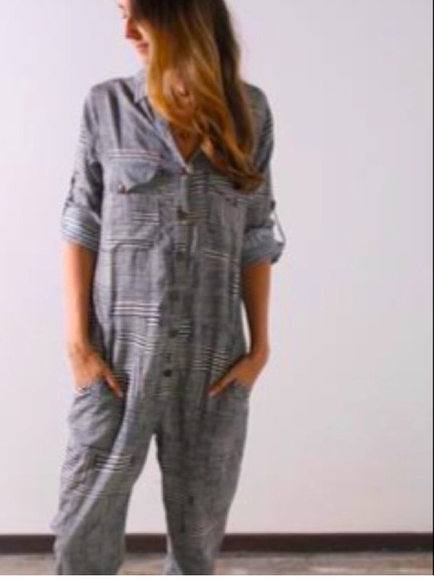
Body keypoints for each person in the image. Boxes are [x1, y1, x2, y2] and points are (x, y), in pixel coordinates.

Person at [50, 0, 287, 574]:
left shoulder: (250, 112)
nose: (126, 30)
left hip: (214, 361)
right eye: (120, 12)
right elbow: (81, 221)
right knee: (82, 533)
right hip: (116, 360)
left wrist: (259, 348)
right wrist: (79, 346)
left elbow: (257, 233)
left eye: (139, 14)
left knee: (197, 540)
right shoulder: (107, 106)